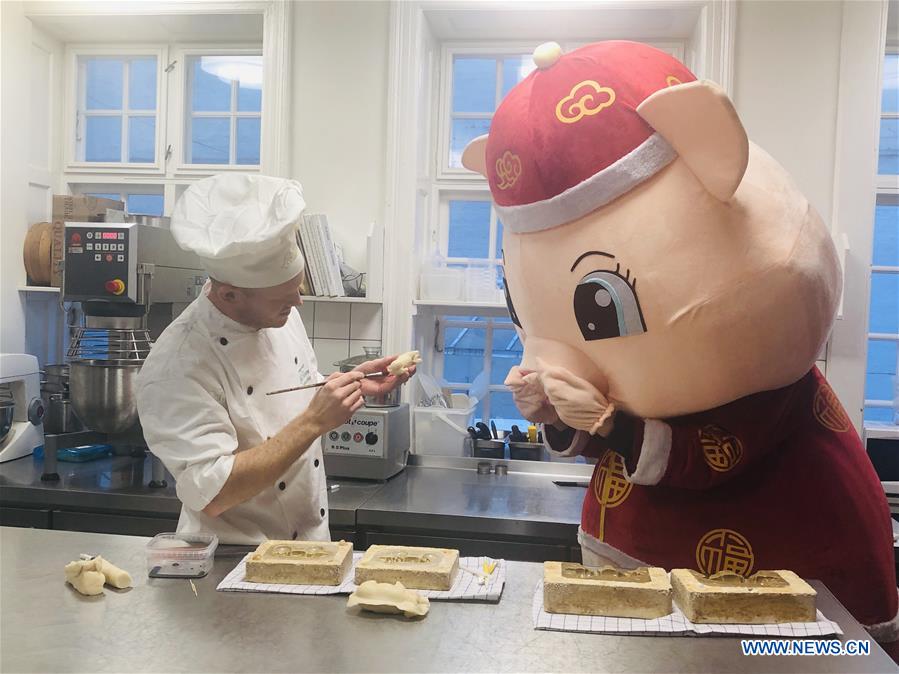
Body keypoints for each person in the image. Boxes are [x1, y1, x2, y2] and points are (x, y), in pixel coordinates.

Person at [136, 173, 412, 544]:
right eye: (284, 299)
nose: (298, 303)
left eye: (297, 289)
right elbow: (214, 493)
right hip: (235, 557)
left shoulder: (280, 314)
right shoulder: (176, 366)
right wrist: (315, 421)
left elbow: (290, 391)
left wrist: (352, 383)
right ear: (230, 294)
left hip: (308, 546)